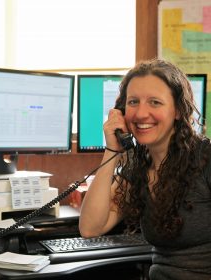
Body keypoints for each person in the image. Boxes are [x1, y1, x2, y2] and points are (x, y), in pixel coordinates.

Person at [79, 58, 211, 280]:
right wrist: (112, 150)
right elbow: (91, 227)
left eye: (155, 102)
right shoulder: (138, 164)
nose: (140, 114)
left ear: (178, 110)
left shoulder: (205, 158)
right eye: (133, 102)